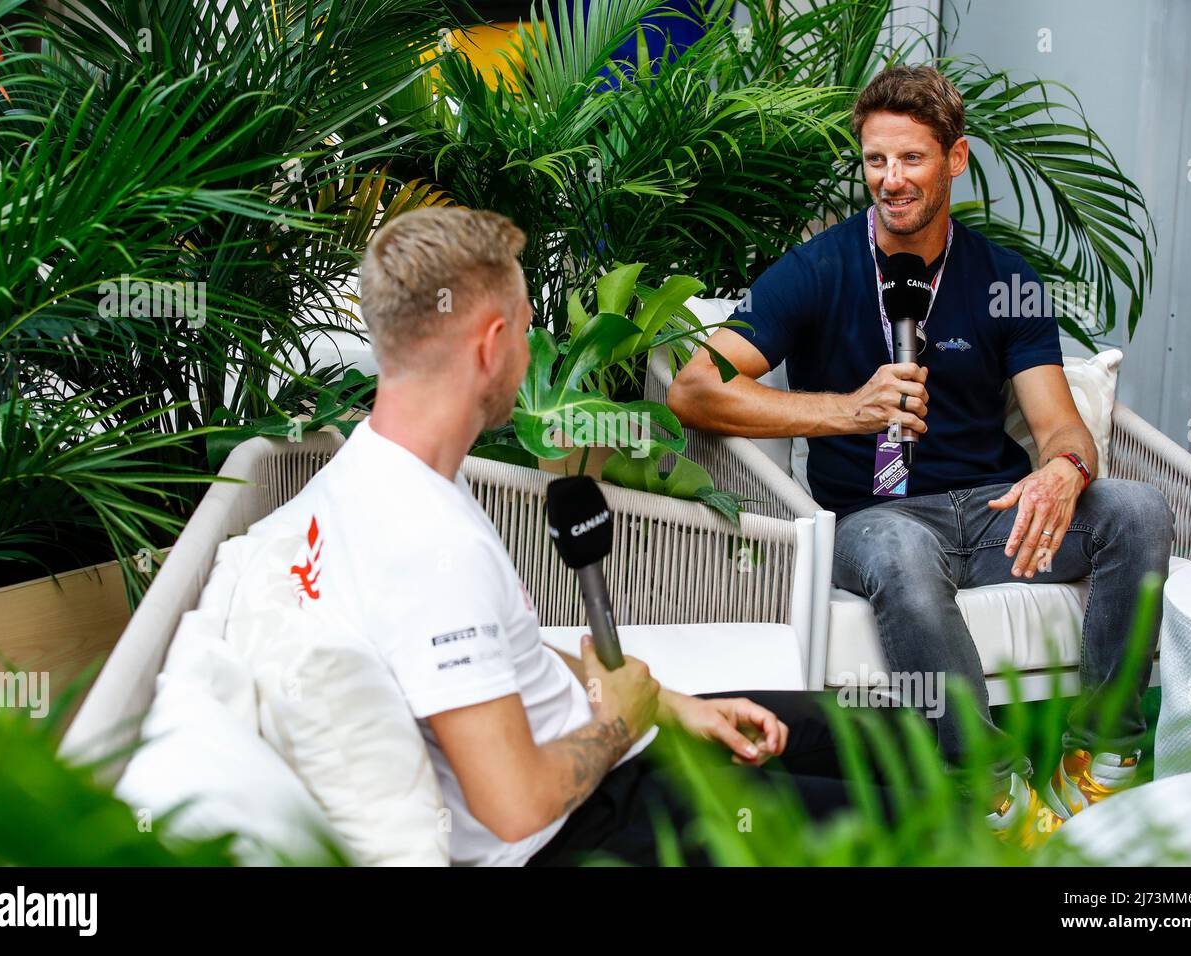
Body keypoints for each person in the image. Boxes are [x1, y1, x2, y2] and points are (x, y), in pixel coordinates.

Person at [259, 205, 893, 867]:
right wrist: (621, 720)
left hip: (604, 755)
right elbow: (512, 806)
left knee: (862, 733)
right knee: (896, 818)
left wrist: (668, 706)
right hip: (580, 822)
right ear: (490, 344)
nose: (532, 353)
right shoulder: (428, 544)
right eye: (528, 332)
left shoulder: (374, 476)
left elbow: (491, 657)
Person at [666, 65, 1174, 842]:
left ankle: (1101, 760)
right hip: (874, 518)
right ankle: (987, 785)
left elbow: (1058, 423)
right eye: (875, 161)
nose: (890, 180)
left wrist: (1065, 472)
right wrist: (847, 410)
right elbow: (694, 389)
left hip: (996, 510)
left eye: (911, 159)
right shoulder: (817, 269)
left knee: (1138, 508)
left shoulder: (1007, 279)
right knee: (901, 546)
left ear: (956, 159)